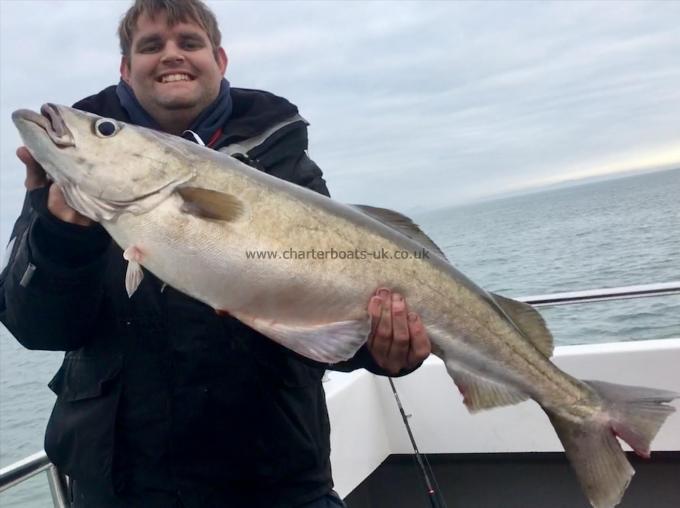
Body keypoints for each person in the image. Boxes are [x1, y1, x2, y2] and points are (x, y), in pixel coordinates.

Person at [0, 1, 431, 507]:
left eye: (188, 42)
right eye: (150, 46)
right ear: (124, 68)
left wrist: (384, 350)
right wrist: (59, 233)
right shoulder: (74, 173)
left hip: (276, 479)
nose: (170, 55)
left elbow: (323, 297)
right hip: (120, 486)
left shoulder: (282, 160)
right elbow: (38, 328)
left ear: (219, 60)